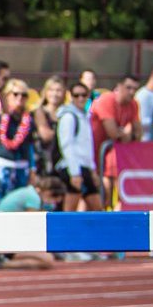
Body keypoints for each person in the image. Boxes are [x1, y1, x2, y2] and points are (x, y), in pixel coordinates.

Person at [57, 81, 103, 214]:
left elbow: (87, 147)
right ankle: (66, 235)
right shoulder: (68, 116)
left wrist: (92, 170)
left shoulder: (84, 116)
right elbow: (66, 145)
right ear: (71, 97)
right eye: (76, 95)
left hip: (84, 167)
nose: (81, 98)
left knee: (97, 209)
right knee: (69, 212)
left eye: (84, 95)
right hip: (73, 167)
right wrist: (75, 172)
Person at [0, 82, 35, 204]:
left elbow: (30, 146)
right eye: (15, 94)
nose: (20, 98)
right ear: (7, 96)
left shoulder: (28, 120)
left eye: (24, 95)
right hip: (1, 166)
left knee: (18, 205)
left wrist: (32, 168)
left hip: (21, 167)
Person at [90, 74, 141, 170]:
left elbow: (138, 133)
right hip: (92, 147)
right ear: (119, 86)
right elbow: (112, 132)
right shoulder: (106, 100)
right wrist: (126, 135)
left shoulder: (133, 104)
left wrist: (127, 135)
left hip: (109, 151)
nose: (132, 92)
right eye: (128, 88)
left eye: (135, 89)